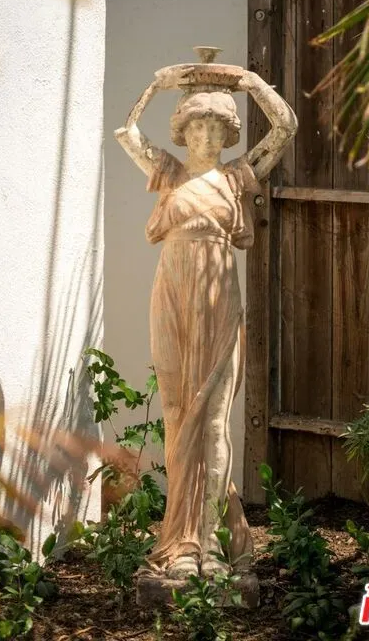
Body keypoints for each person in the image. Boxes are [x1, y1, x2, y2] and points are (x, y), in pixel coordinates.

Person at [115, 63, 297, 579]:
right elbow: (129, 132)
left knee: (214, 420)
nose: (208, 137)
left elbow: (285, 127)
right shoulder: (168, 173)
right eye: (198, 126)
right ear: (184, 130)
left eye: (218, 128)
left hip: (218, 299)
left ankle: (212, 545)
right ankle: (182, 544)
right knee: (177, 414)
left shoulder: (237, 177)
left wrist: (250, 83)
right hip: (172, 297)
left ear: (228, 135)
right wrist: (158, 84)